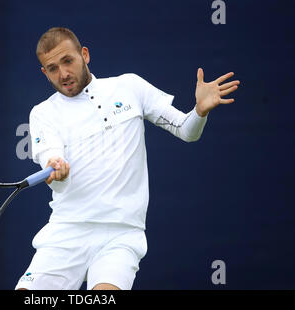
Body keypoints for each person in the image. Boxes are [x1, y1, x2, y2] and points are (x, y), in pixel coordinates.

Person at [15, 27, 240, 290]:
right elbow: (54, 169)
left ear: (84, 55)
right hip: (66, 232)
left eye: (68, 61)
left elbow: (185, 130)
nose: (63, 74)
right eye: (52, 68)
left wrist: (199, 112)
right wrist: (58, 172)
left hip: (121, 235)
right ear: (45, 73)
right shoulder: (43, 113)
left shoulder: (130, 86)